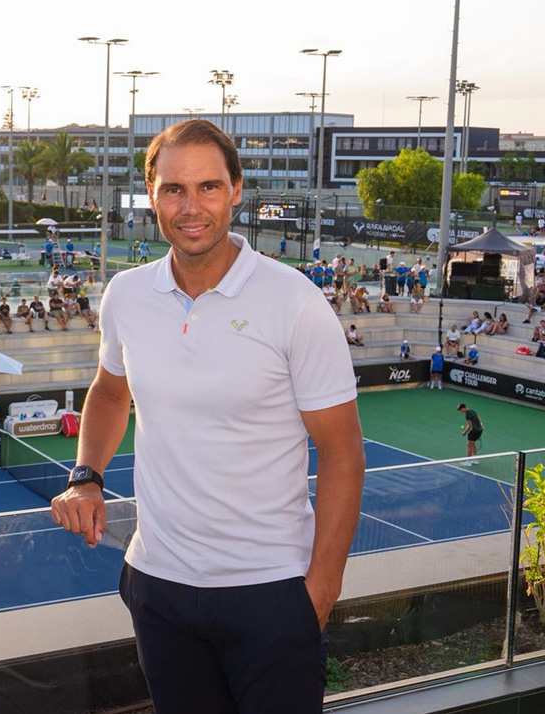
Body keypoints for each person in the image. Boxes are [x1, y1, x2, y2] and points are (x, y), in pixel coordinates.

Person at [50, 118, 364, 713]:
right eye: (174, 190)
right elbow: (112, 393)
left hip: (270, 592)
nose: (190, 207)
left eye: (208, 187)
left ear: (237, 190)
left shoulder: (295, 301)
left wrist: (319, 593)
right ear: (153, 196)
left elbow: (344, 453)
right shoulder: (126, 295)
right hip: (160, 588)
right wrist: (85, 475)